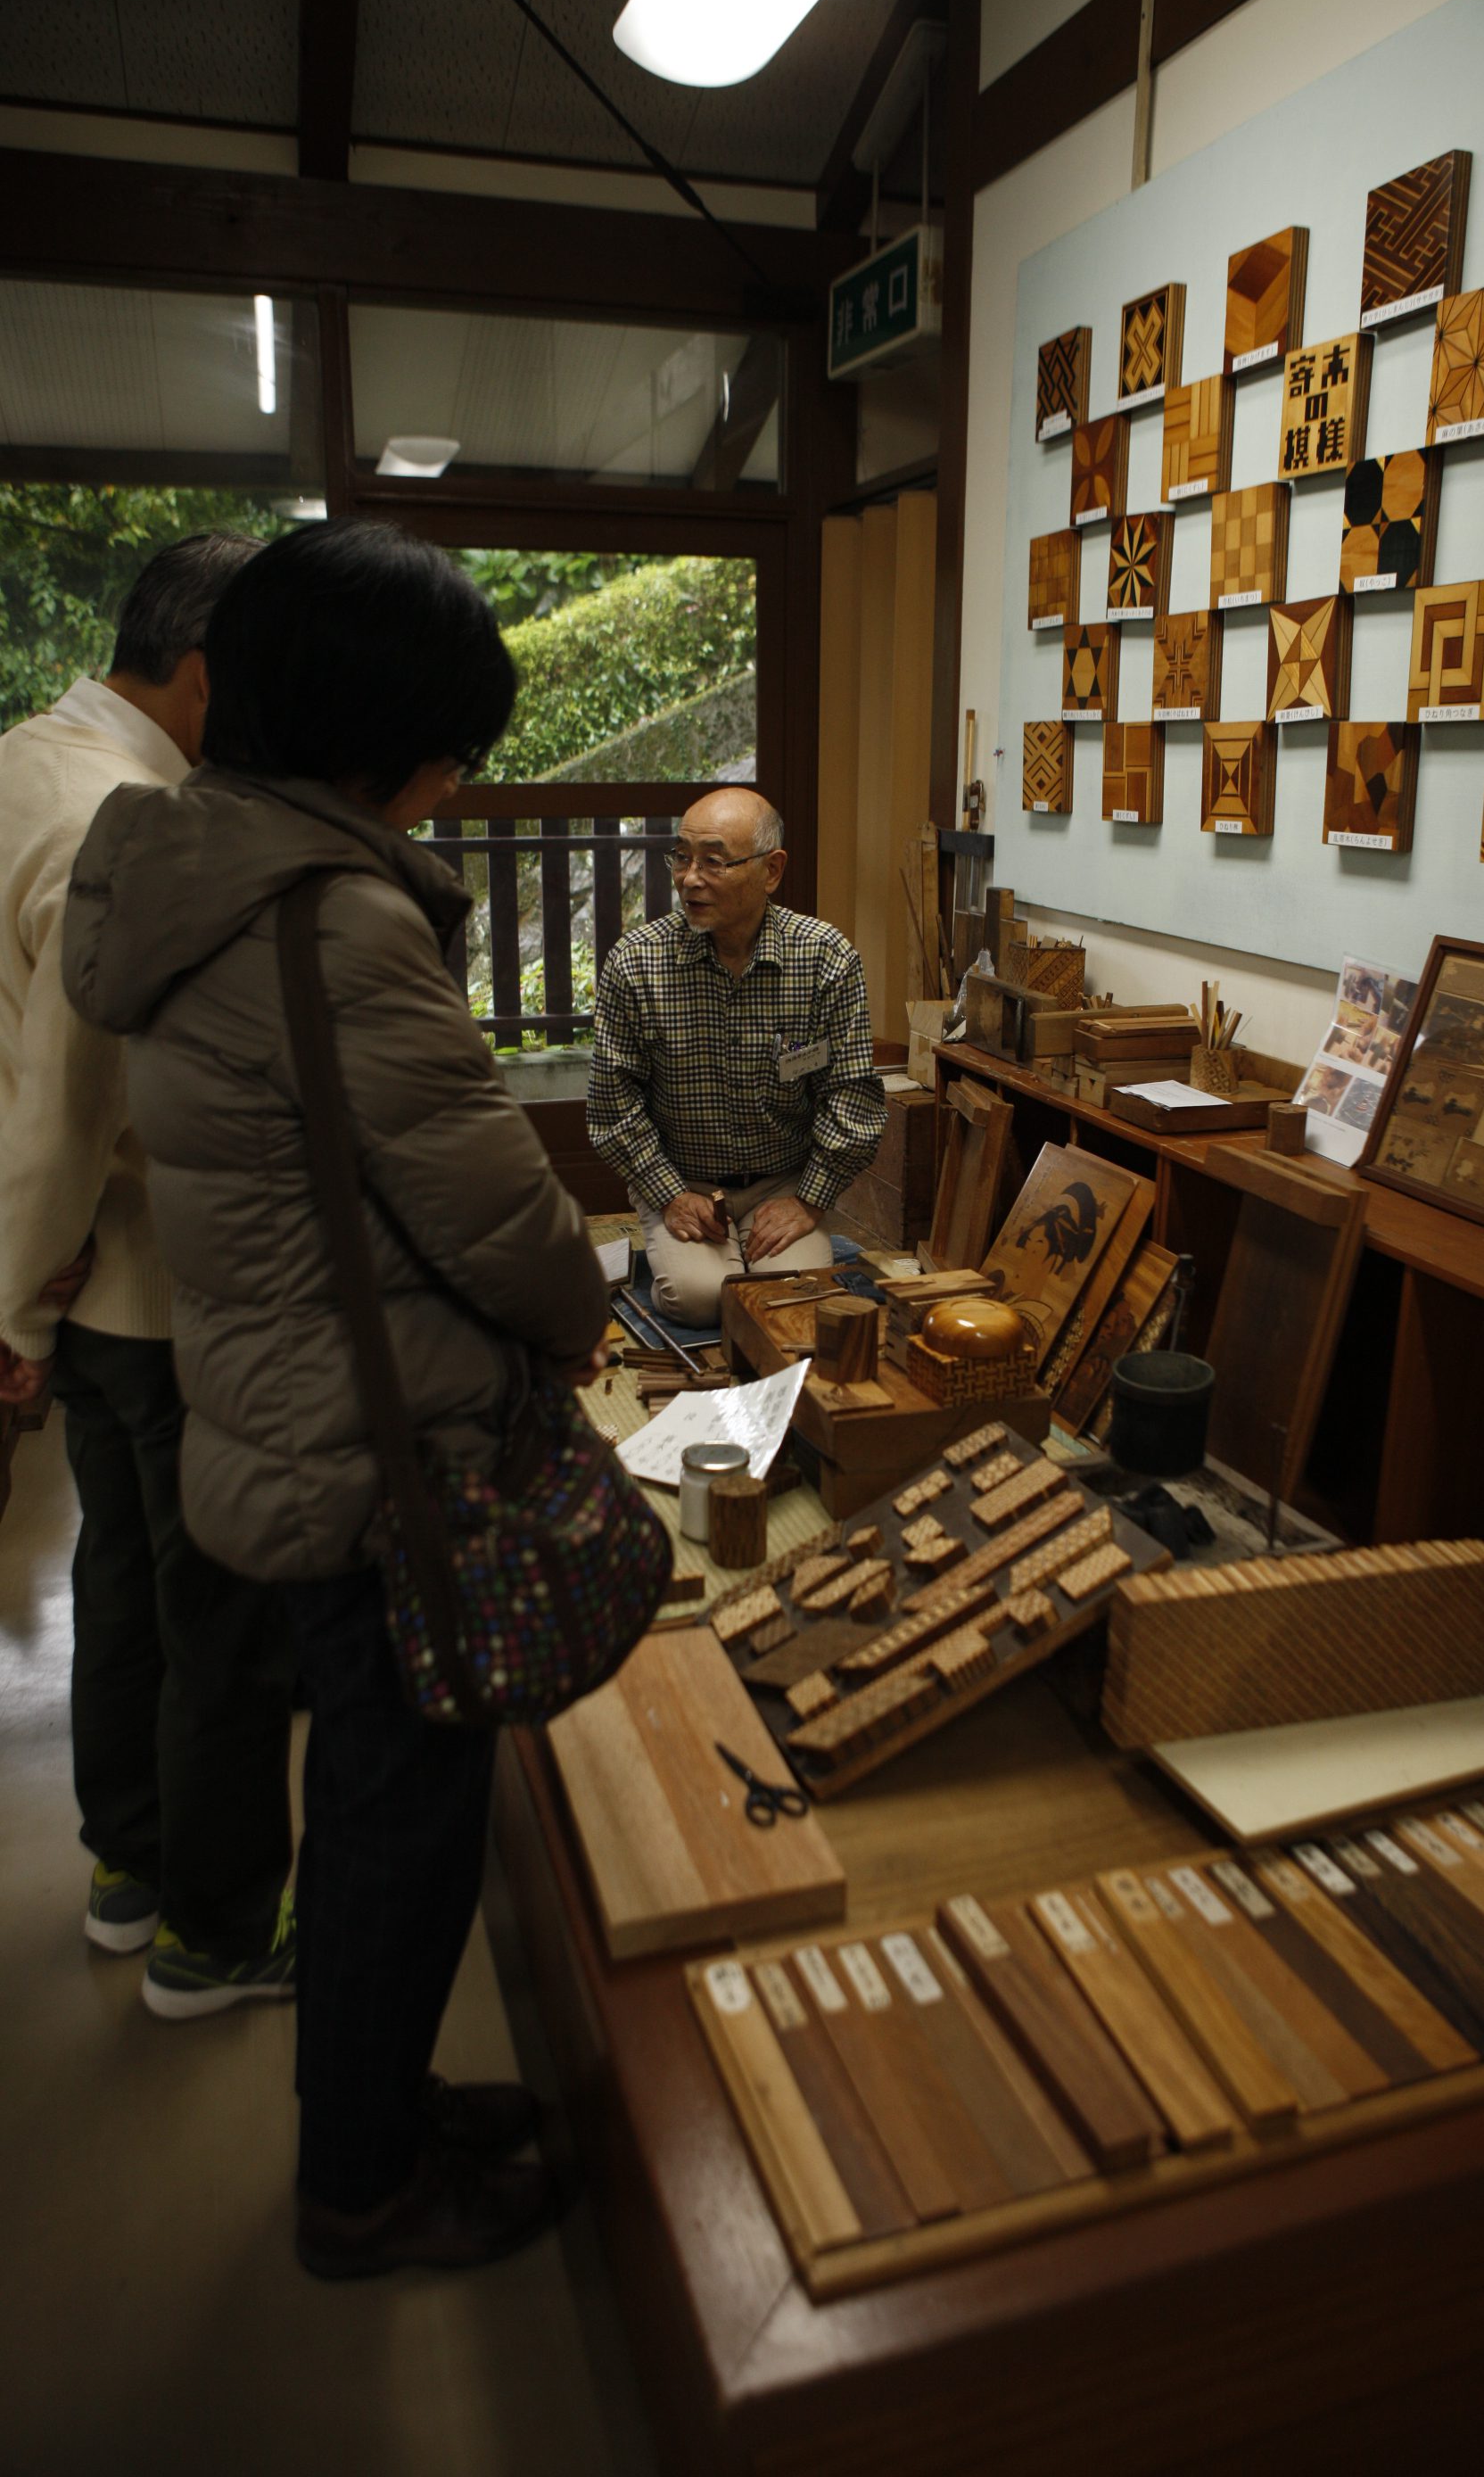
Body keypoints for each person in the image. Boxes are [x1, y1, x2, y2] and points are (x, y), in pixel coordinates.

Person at [62, 519, 612, 2278]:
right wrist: (580, 1307)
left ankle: (372, 2104)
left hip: (281, 1419)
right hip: (384, 1468)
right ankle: (364, 2189)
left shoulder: (183, 870)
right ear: (392, 741)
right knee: (393, 1829)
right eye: (457, 747)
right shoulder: (339, 911)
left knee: (374, 1807)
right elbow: (493, 1212)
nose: (457, 785)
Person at [0, 532, 299, 2019]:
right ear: (202, 675)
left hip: (88, 1287)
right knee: (218, 1619)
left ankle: (130, 1868)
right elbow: (68, 1091)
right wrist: (12, 1297)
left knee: (117, 1581)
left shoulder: (24, 756)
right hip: (139, 1285)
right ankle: (218, 1931)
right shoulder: (123, 816)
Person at [586, 786, 886, 1327]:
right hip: (683, 1176)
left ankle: (767, 1247)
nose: (689, 878)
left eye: (714, 861)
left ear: (771, 872)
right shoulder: (636, 963)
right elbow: (612, 1106)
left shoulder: (825, 959)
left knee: (790, 1300)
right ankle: (681, 1248)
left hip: (783, 1180)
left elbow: (853, 1099)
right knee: (700, 1298)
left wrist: (810, 1200)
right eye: (682, 857)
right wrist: (670, 1194)